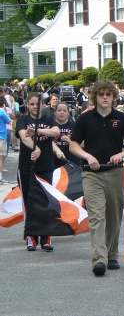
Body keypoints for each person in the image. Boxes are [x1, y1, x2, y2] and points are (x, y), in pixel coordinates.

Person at [70, 79, 124, 276]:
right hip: (91, 173)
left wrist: (122, 154)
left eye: (107, 94)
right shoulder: (85, 118)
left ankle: (112, 255)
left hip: (115, 171)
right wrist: (87, 156)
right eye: (100, 94)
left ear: (113, 96)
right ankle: (98, 260)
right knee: (96, 217)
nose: (104, 97)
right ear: (94, 96)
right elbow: (73, 144)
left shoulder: (122, 118)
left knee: (114, 216)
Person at [16, 93, 60, 252]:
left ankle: (46, 238)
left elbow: (56, 132)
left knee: (46, 202)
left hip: (46, 166)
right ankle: (31, 238)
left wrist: (38, 130)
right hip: (27, 167)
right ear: (28, 105)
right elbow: (24, 136)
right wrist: (38, 147)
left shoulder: (48, 120)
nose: (35, 107)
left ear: (43, 105)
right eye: (32, 104)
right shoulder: (23, 120)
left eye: (38, 104)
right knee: (29, 202)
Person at [52, 103, 80, 169]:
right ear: (55, 112)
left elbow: (82, 144)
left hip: (72, 161)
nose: (62, 113)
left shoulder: (75, 125)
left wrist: (70, 141)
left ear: (68, 112)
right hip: (54, 162)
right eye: (59, 110)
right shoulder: (50, 125)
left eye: (64, 111)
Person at [0, 96, 12, 183]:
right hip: (1, 136)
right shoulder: (1, 111)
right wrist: (4, 110)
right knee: (1, 157)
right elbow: (8, 121)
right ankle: (0, 177)